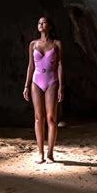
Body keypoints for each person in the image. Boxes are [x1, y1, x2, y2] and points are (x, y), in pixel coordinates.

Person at [23, 16, 64, 163]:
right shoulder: (33, 44)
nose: (41, 24)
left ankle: (50, 154)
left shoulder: (57, 44)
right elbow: (30, 66)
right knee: (38, 118)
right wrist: (26, 85)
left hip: (52, 81)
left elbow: (59, 65)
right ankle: (40, 153)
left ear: (50, 26)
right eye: (39, 22)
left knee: (51, 118)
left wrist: (61, 86)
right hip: (36, 81)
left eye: (44, 22)